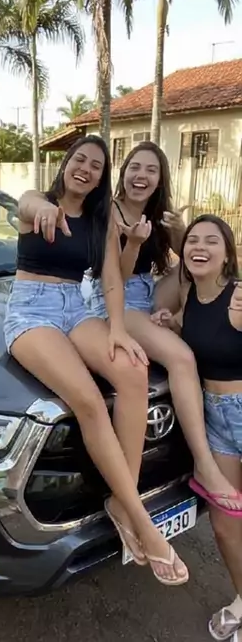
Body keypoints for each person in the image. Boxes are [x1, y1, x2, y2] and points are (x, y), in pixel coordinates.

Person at [5, 134, 189, 585]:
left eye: (96, 166)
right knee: (88, 399)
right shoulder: (37, 203)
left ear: (102, 178)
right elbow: (27, 205)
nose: (85, 169)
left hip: (78, 309)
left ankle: (121, 501)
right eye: (80, 160)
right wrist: (43, 209)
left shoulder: (99, 219)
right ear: (66, 163)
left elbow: (110, 278)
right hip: (32, 310)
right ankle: (140, 517)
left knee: (133, 370)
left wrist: (119, 330)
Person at [88, 141, 242, 513]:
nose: (141, 176)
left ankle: (198, 316)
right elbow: (115, 277)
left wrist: (180, 234)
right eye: (135, 167)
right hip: (116, 296)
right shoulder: (108, 211)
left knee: (192, 270)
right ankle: (204, 465)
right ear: (123, 173)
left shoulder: (158, 216)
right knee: (182, 358)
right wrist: (133, 242)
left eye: (151, 170)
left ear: (160, 180)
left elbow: (187, 261)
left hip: (149, 293)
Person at [152, 214, 242, 641]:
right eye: (192, 241)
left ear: (227, 255)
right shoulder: (190, 295)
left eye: (211, 241)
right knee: (225, 525)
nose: (200, 247)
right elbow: (194, 334)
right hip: (215, 420)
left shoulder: (238, 294)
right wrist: (171, 325)